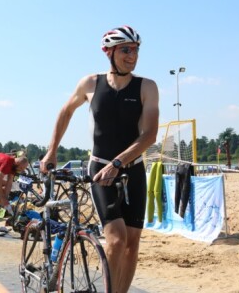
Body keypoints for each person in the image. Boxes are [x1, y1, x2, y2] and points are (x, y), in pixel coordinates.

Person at [40, 25, 159, 293]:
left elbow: (149, 135)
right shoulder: (91, 83)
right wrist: (52, 150)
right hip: (100, 169)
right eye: (126, 50)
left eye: (136, 50)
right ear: (109, 52)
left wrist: (119, 163)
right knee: (116, 239)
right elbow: (65, 110)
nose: (132, 56)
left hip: (133, 170)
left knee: (132, 243)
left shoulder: (147, 87)